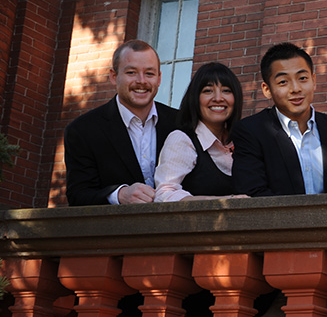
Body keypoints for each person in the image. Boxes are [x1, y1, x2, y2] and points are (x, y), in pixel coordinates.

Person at [65, 39, 178, 206]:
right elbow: (78, 195)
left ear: (159, 78)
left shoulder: (182, 123)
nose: (141, 81)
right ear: (113, 76)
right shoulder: (83, 130)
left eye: (149, 73)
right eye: (131, 72)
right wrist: (119, 195)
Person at [232, 42, 327, 197]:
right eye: (283, 82)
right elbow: (252, 193)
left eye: (303, 78)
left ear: (314, 81)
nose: (295, 89)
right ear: (267, 90)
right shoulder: (251, 131)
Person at [154, 62, 247, 202]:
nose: (218, 98)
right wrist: (224, 202)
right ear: (195, 98)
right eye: (208, 91)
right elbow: (165, 194)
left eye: (226, 90)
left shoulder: (241, 142)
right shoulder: (182, 140)